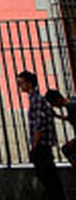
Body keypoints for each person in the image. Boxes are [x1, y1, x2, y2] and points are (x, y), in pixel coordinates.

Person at [19, 71, 63, 200]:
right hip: (43, 145)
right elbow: (49, 115)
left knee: (48, 177)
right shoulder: (37, 99)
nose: (20, 86)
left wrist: (34, 146)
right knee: (49, 177)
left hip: (42, 146)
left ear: (30, 83)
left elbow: (39, 125)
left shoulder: (36, 100)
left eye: (21, 83)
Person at [44, 88, 76, 164]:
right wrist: (56, 115)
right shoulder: (71, 102)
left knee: (66, 149)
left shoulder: (71, 107)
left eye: (53, 103)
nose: (54, 106)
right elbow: (70, 118)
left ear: (58, 99)